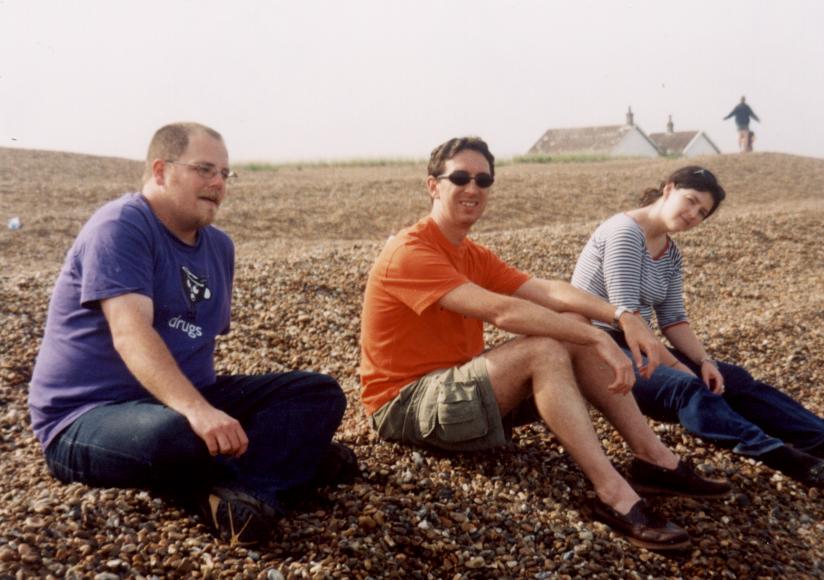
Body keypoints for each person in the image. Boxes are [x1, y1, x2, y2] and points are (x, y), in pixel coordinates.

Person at [359, 137, 730, 552]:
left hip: (453, 388)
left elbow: (546, 291)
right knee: (547, 347)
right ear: (433, 186)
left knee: (569, 322)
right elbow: (502, 312)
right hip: (404, 406)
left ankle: (655, 461)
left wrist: (620, 315)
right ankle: (615, 496)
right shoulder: (409, 251)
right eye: (460, 177)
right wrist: (595, 334)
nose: (473, 188)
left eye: (483, 180)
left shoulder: (470, 252)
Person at [28, 122, 356, 547]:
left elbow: (196, 344)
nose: (218, 183)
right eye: (205, 169)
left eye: (225, 174)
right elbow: (131, 334)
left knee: (317, 393)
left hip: (178, 401)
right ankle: (277, 474)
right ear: (162, 170)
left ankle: (248, 491)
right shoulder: (122, 226)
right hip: (87, 416)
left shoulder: (219, 247)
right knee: (178, 438)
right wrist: (200, 415)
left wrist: (206, 411)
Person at [571, 165, 824, 489]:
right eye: (690, 201)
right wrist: (678, 366)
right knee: (687, 389)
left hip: (636, 341)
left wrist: (705, 362)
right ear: (668, 189)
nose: (693, 214)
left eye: (702, 212)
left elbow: (674, 319)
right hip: (595, 343)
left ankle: (817, 438)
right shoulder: (625, 232)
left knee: (734, 380)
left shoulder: (670, 252)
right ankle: (787, 459)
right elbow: (628, 317)